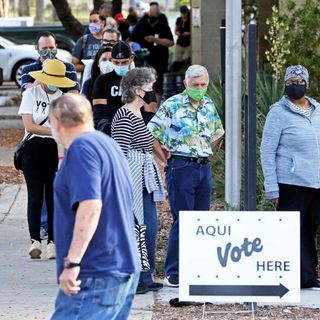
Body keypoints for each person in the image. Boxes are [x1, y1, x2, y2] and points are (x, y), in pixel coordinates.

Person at [50, 94, 140, 319]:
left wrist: (72, 263)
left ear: (57, 121)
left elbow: (90, 205)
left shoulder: (82, 148)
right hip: (121, 264)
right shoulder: (107, 143)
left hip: (95, 270)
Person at [147, 65, 225, 287]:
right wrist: (163, 157)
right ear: (185, 84)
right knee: (183, 219)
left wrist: (206, 149)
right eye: (195, 85)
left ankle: (196, 268)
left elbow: (218, 132)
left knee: (201, 221)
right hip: (181, 166)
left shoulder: (208, 104)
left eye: (203, 85)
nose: (200, 89)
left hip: (203, 166)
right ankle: (174, 271)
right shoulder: (172, 105)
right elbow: (151, 132)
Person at [261, 65, 320, 289]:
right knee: (289, 231)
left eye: (299, 81)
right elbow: (267, 150)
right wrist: (272, 187)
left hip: (316, 182)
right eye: (291, 82)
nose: (296, 85)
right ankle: (284, 276)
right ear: (285, 84)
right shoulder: (278, 112)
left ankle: (307, 277)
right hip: (290, 183)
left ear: (307, 82)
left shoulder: (317, 110)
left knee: (308, 231)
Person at [111, 67, 165, 294]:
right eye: (150, 88)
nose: (153, 92)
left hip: (143, 177)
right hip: (131, 178)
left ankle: (145, 273)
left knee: (148, 226)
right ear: (137, 90)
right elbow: (120, 152)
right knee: (136, 227)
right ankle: (134, 276)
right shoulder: (124, 115)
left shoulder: (136, 115)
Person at [18, 59, 76, 260]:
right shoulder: (30, 94)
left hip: (54, 150)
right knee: (35, 196)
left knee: (53, 197)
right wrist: (54, 130)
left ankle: (52, 241)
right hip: (33, 149)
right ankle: (35, 240)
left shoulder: (62, 99)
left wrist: (62, 158)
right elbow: (30, 125)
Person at [131, 1, 174, 100]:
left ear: (158, 13)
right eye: (151, 12)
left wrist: (154, 40)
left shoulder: (163, 23)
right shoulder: (143, 22)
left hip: (160, 59)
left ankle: (156, 107)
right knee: (143, 83)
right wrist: (136, 48)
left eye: (155, 12)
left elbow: (170, 42)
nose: (153, 14)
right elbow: (131, 39)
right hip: (144, 59)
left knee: (157, 86)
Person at [92, 40, 134, 135]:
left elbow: (149, 110)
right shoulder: (102, 80)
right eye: (116, 62)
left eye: (124, 62)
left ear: (131, 59)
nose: (120, 65)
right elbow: (99, 110)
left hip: (134, 123)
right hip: (109, 124)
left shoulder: (140, 81)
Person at [172, 5, 191, 71]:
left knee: (186, 59)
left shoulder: (190, 20)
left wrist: (188, 33)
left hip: (188, 43)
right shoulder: (179, 20)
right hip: (180, 42)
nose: (183, 14)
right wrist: (178, 33)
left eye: (184, 12)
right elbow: (176, 31)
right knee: (176, 60)